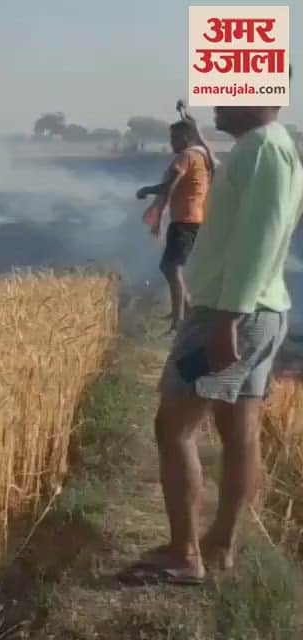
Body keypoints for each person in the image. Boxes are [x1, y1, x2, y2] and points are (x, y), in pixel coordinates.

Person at [120, 100, 303, 586]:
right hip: (258, 309)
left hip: (232, 312)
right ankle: (220, 546)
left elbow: (257, 243)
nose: (219, 101)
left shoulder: (263, 151)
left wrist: (227, 320)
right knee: (238, 427)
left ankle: (185, 554)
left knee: (173, 426)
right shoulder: (267, 147)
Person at [137, 118, 215, 331]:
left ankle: (179, 321)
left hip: (185, 219)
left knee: (171, 267)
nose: (171, 142)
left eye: (175, 138)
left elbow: (169, 186)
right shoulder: (202, 155)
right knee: (170, 267)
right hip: (192, 218)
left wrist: (148, 194)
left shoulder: (186, 156)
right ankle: (186, 312)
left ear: (186, 138)